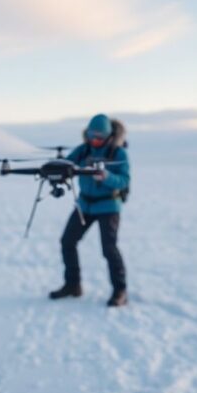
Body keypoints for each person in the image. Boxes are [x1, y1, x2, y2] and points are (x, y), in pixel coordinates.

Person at [49, 114, 131, 307]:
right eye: (92, 136)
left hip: (108, 206)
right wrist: (57, 171)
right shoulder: (83, 150)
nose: (95, 141)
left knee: (109, 249)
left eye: (99, 138)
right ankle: (73, 285)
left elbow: (124, 180)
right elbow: (68, 165)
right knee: (67, 241)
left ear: (109, 136)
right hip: (85, 205)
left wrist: (107, 177)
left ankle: (120, 291)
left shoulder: (119, 153)